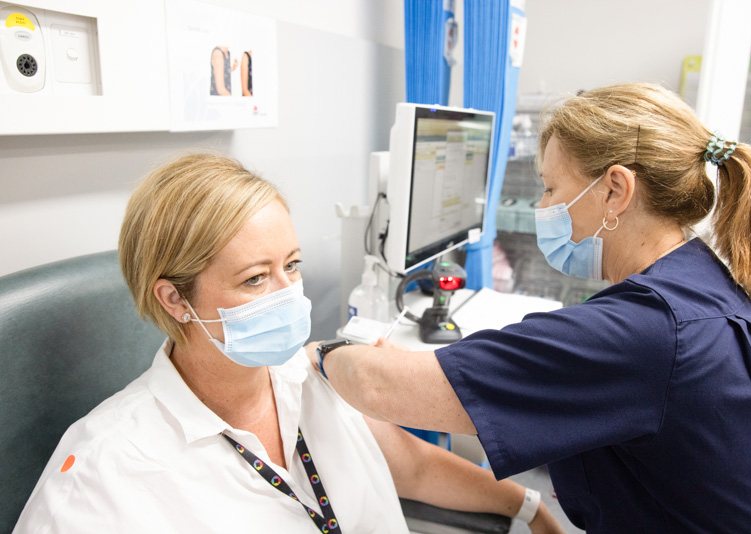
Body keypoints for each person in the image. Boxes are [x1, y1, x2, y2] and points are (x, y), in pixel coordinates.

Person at [309, 82, 751, 533]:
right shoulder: (698, 281)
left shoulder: (645, 332)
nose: (542, 205)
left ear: (615, 190)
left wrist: (320, 354)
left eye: (550, 188)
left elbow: (379, 385)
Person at [13, 153, 565, 534]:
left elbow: (413, 467)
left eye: (292, 266)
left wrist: (528, 507)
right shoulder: (100, 475)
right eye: (256, 279)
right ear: (175, 300)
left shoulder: (315, 375)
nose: (289, 297)